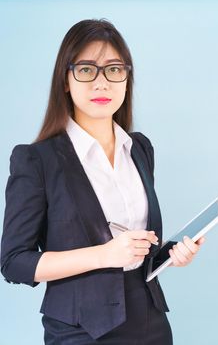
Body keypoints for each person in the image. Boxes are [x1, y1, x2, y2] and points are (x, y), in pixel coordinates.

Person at [0, 19, 205, 345]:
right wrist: (104, 255)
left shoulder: (139, 148)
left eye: (113, 69)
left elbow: (137, 248)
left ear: (126, 79)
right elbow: (14, 263)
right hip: (80, 328)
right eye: (86, 69)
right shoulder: (37, 159)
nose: (101, 83)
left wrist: (171, 254)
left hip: (150, 321)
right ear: (65, 80)